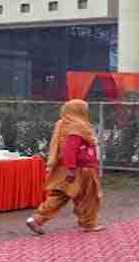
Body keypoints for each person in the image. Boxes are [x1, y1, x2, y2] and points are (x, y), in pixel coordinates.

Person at [25, 99, 103, 235]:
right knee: (89, 197)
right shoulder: (77, 127)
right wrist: (71, 169)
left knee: (59, 196)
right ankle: (89, 224)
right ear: (78, 111)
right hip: (80, 169)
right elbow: (69, 149)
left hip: (66, 168)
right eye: (84, 109)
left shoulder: (63, 125)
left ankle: (36, 220)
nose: (86, 112)